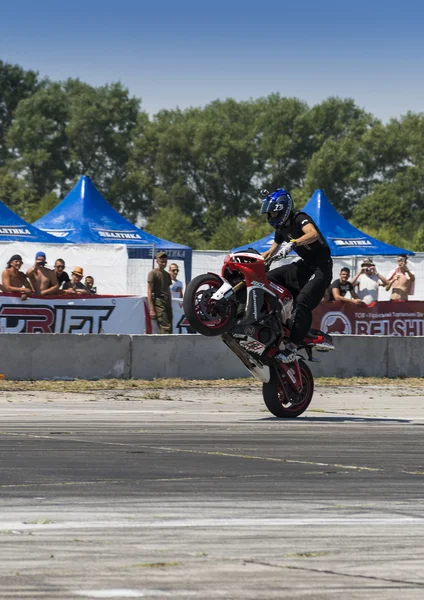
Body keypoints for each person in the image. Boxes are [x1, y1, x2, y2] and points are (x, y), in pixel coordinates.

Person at [260, 188, 333, 363]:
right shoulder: (281, 229)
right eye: (270, 213)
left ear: (284, 208)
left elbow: (313, 234)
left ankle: (292, 348)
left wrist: (293, 243)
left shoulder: (299, 218)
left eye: (275, 211)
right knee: (268, 278)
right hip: (305, 266)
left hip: (322, 268)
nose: (272, 216)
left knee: (303, 302)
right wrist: (252, 260)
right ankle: (274, 322)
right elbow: (270, 252)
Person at [147, 251, 173, 334]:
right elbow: (149, 291)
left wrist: (170, 302)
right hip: (159, 300)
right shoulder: (153, 273)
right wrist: (151, 308)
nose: (163, 264)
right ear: (157, 261)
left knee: (169, 325)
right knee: (165, 326)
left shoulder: (167, 274)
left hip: (166, 301)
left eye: (165, 262)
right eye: (161, 261)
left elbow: (168, 290)